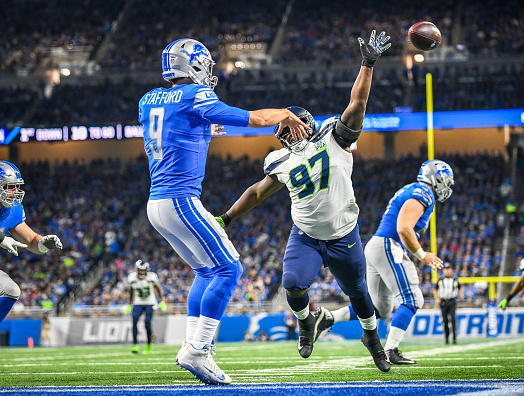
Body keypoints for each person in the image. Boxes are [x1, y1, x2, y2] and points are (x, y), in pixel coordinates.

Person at [215, 30, 392, 372]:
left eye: (291, 126)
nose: (287, 133)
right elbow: (256, 193)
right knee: (293, 284)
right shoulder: (279, 161)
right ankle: (306, 321)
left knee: (359, 294)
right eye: (282, 129)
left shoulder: (334, 137)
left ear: (307, 124)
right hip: (306, 235)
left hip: (343, 234)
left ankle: (372, 339)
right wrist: (226, 217)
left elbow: (357, 105)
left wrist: (367, 64)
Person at [139, 38, 311, 386]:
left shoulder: (148, 99)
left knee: (206, 271)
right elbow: (257, 118)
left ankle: (192, 344)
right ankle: (199, 350)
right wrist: (286, 114)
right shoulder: (194, 96)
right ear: (194, 65)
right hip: (180, 199)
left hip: (156, 203)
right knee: (229, 269)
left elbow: (178, 129)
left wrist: (204, 125)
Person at [314, 159, 454, 365]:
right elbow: (404, 228)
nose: (447, 185)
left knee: (381, 308)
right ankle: (391, 350)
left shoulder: (413, 189)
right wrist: (422, 255)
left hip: (377, 246)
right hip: (388, 245)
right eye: (445, 180)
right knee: (413, 298)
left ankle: (328, 317)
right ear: (436, 178)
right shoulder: (424, 192)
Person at [0, 161, 63, 324]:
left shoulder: (12, 210)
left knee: (10, 289)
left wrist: (42, 243)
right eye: (10, 187)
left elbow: (31, 241)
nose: (15, 192)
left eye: (16, 187)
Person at [123, 260, 167, 354]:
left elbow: (158, 289)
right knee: (134, 321)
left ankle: (149, 345)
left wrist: (162, 301)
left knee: (147, 323)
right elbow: (131, 291)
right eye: (140, 270)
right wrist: (129, 304)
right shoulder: (132, 278)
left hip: (150, 302)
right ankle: (135, 345)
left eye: (144, 270)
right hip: (138, 302)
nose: (142, 272)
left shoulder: (151, 277)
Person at [434, 262, 460, 344]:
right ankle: (447, 338)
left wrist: (459, 297)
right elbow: (435, 289)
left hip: (452, 301)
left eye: (448, 269)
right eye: (445, 269)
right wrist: (437, 299)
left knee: (453, 320)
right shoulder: (440, 280)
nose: (447, 271)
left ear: (451, 270)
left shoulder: (455, 279)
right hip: (443, 301)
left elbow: (459, 288)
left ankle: (454, 338)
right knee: (445, 321)